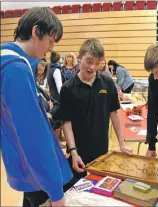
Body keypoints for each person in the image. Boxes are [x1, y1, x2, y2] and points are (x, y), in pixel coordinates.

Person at [1, 7, 72, 207]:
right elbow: (32, 136)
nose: (50, 48)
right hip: (35, 172)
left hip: (24, 166)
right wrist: (55, 191)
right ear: (35, 31)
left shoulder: (8, 59)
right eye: (50, 40)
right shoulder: (15, 69)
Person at [60, 39, 132, 183]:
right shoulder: (68, 88)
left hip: (101, 153)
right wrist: (73, 152)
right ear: (79, 58)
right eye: (89, 61)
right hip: (78, 153)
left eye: (98, 62)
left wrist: (122, 143)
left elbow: (114, 114)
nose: (92, 67)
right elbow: (66, 123)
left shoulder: (108, 83)